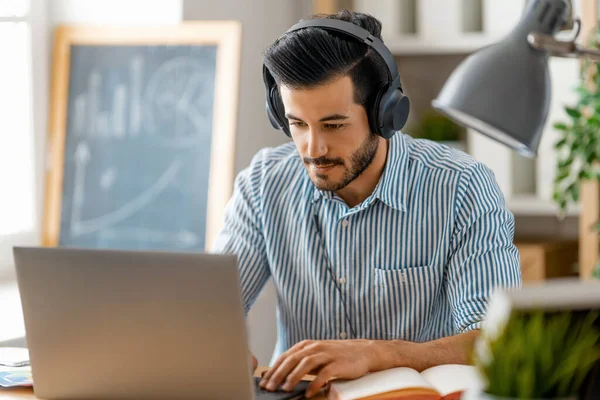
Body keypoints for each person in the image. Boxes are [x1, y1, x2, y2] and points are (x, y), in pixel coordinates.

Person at [212, 9, 521, 399]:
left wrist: (377, 354)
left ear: (385, 114)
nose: (313, 148)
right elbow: (211, 315)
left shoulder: (462, 187)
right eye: (298, 124)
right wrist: (217, 350)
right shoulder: (263, 185)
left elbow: (494, 341)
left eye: (334, 125)